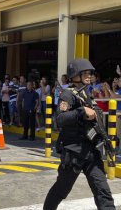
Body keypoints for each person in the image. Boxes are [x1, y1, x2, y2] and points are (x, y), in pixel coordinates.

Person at [43, 59, 115, 210]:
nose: (90, 76)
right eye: (86, 73)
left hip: (91, 151)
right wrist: (81, 112)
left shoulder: (87, 95)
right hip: (74, 153)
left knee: (103, 191)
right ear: (75, 75)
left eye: (90, 73)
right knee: (61, 190)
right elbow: (60, 119)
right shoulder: (68, 95)